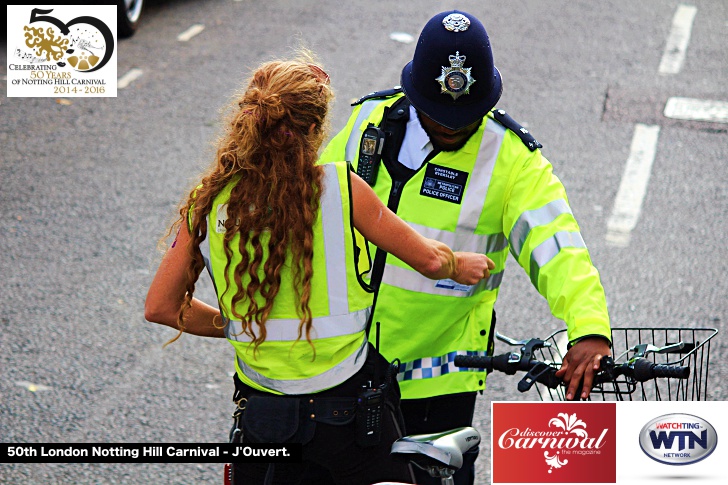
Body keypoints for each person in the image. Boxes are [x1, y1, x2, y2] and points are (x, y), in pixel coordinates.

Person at [144, 53, 494, 485]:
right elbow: (427, 259)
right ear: (313, 129)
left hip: (263, 421)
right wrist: (462, 264)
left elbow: (160, 307)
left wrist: (241, 325)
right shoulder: (340, 188)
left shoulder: (210, 198)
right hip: (347, 420)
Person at [316, 10, 612, 485]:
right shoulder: (368, 124)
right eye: (438, 115)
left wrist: (590, 328)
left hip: (440, 381)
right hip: (342, 366)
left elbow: (558, 248)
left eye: (463, 117)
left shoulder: (513, 160)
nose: (451, 127)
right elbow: (307, 205)